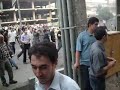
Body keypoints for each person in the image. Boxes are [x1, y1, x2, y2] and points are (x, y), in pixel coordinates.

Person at [74, 17, 99, 90]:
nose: (97, 26)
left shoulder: (96, 36)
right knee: (86, 85)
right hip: (85, 65)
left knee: (94, 85)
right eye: (95, 24)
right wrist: (77, 62)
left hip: (95, 65)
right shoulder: (82, 36)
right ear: (90, 25)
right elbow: (78, 50)